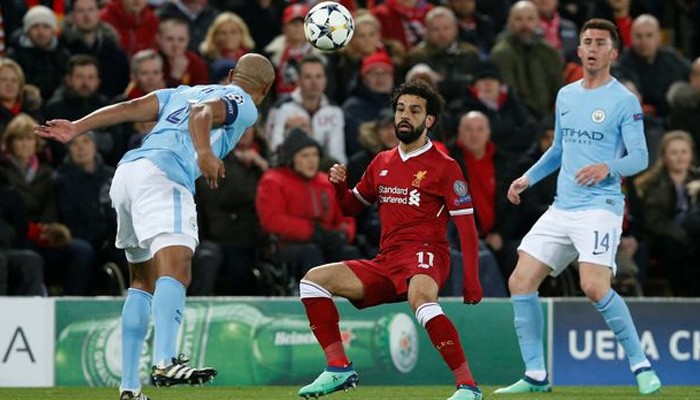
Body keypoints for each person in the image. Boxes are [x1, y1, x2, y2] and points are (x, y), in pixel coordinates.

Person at [36, 53, 275, 400]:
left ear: (233, 73)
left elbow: (131, 107)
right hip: (165, 175)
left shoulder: (183, 91)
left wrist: (78, 126)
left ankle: (129, 388)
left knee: (143, 281)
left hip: (128, 175)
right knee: (177, 269)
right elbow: (202, 113)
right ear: (265, 89)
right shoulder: (244, 103)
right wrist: (204, 152)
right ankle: (165, 360)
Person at [497, 19, 661, 395]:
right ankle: (535, 375)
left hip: (600, 206)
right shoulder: (566, 95)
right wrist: (528, 178)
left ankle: (642, 366)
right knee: (520, 281)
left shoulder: (623, 100)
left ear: (612, 53)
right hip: (562, 206)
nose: (592, 48)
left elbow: (640, 157)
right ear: (579, 49)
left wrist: (608, 167)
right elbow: (559, 149)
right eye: (587, 41)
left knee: (593, 286)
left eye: (600, 43)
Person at [297, 80, 484, 400]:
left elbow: (467, 228)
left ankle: (468, 387)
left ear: (429, 120)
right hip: (388, 260)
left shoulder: (445, 167)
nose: (405, 116)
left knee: (421, 300)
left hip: (427, 253)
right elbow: (351, 207)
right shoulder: (382, 162)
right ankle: (339, 368)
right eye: (400, 109)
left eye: (414, 110)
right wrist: (340, 187)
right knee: (313, 282)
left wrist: (471, 279)